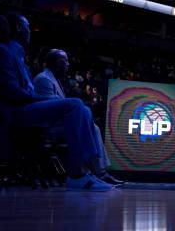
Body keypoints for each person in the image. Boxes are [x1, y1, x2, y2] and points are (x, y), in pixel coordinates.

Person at [0, 13, 113, 191]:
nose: (30, 32)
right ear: (19, 29)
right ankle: (76, 174)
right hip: (12, 112)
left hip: (23, 109)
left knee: (84, 109)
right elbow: (11, 94)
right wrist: (44, 98)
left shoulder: (18, 58)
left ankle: (88, 170)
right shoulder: (2, 51)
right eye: (27, 27)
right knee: (74, 105)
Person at [34, 49, 124, 185]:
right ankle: (89, 173)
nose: (69, 64)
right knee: (85, 122)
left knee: (94, 128)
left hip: (59, 123)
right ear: (58, 63)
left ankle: (100, 172)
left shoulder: (55, 80)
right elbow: (49, 110)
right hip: (49, 126)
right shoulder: (43, 79)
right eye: (66, 61)